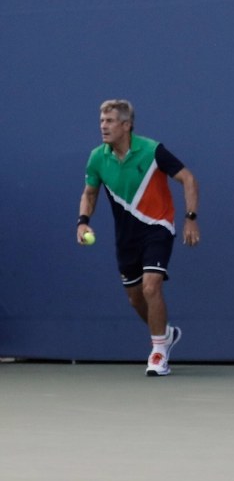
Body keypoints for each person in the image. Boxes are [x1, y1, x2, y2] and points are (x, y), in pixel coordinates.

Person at [77, 99, 200, 377]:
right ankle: (164, 335)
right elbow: (90, 193)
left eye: (109, 122)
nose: (103, 127)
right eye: (101, 121)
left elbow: (188, 178)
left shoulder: (152, 150)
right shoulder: (97, 157)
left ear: (126, 125)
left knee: (150, 287)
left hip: (158, 227)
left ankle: (158, 352)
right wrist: (83, 222)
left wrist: (190, 217)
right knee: (136, 299)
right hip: (126, 237)